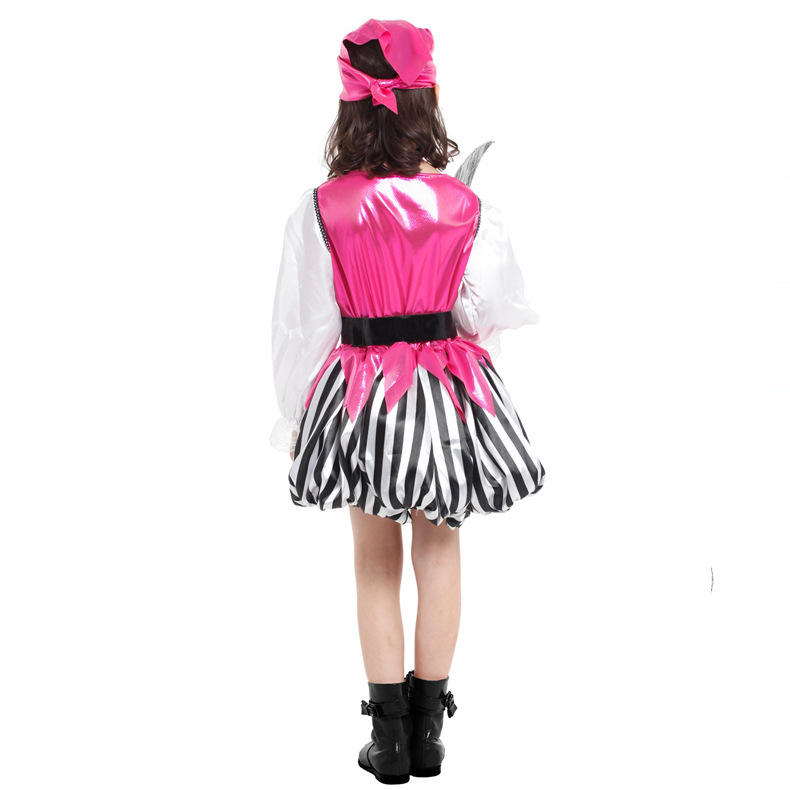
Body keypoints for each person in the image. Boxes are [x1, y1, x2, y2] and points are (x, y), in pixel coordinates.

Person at [270, 18, 546, 783]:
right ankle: (429, 735)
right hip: (444, 395)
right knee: (440, 548)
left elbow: (304, 327)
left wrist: (298, 416)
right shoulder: (463, 205)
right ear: (428, 98)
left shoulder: (323, 207)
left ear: (350, 106)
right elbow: (492, 310)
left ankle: (387, 742)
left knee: (372, 560)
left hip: (362, 395)